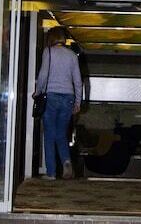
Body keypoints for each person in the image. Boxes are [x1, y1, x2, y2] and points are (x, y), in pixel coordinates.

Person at [35, 26, 82, 180]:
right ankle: (66, 161)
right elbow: (78, 80)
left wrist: (38, 91)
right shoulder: (72, 55)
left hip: (51, 96)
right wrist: (78, 101)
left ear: (51, 38)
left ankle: (51, 173)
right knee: (61, 133)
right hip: (68, 97)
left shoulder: (48, 52)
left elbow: (43, 74)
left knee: (49, 134)